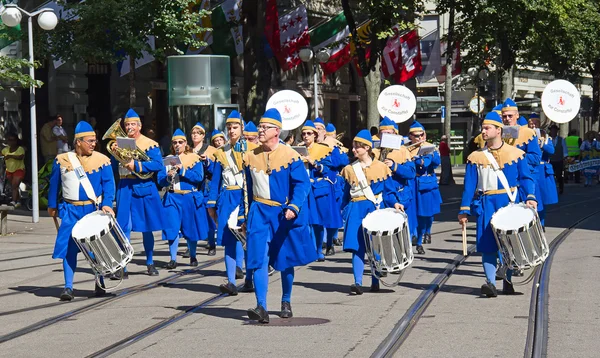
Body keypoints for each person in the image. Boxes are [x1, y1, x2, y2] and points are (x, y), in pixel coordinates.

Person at [243, 108, 318, 323]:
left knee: (285, 258)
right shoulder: (250, 156)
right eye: (260, 127)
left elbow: (302, 185)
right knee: (258, 258)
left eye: (264, 127)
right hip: (258, 212)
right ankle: (261, 306)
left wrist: (293, 207)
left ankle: (286, 300)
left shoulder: (291, 156)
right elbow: (247, 189)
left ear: (276, 131)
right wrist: (244, 216)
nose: (260, 130)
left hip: (281, 213)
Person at [458, 111, 537, 297]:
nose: (483, 131)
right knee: (487, 245)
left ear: (498, 130)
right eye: (483, 128)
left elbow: (526, 179)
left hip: (508, 202)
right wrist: (464, 210)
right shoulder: (475, 157)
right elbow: (469, 187)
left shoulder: (516, 154)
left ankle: (507, 283)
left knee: (509, 244)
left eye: (487, 128)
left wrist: (530, 197)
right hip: (486, 202)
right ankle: (490, 284)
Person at [47, 121, 115, 301]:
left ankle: (99, 282)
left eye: (94, 141)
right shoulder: (62, 160)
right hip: (70, 209)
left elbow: (109, 185)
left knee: (95, 248)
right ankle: (68, 287)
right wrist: (52, 205)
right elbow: (54, 184)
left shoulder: (102, 160)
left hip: (93, 210)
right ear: (78, 142)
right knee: (69, 249)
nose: (94, 144)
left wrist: (108, 203)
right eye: (90, 141)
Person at [340, 129, 406, 295]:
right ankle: (357, 282)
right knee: (357, 247)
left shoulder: (382, 167)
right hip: (356, 209)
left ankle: (375, 281)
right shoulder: (349, 169)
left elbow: (389, 191)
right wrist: (344, 211)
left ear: (367, 148)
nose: (354, 150)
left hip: (375, 207)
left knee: (375, 246)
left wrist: (396, 203)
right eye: (353, 147)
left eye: (357, 147)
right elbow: (344, 193)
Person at [208, 111, 258, 296]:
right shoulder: (221, 152)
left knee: (247, 240)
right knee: (229, 240)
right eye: (229, 127)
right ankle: (230, 281)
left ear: (242, 128)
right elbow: (215, 181)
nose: (231, 130)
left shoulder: (252, 149)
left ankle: (249, 279)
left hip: (245, 196)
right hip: (227, 197)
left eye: (235, 127)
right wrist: (211, 205)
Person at [112, 109, 165, 277]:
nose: (129, 127)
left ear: (139, 126)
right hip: (125, 185)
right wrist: (114, 152)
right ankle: (123, 265)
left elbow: (158, 165)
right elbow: (115, 166)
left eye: (132, 124)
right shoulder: (120, 142)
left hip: (143, 185)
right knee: (123, 227)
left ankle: (150, 262)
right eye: (127, 124)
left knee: (146, 227)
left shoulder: (150, 143)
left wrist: (138, 166)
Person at [157, 129, 206, 268]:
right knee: (171, 227)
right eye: (175, 142)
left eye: (180, 142)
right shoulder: (166, 159)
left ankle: (193, 256)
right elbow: (160, 180)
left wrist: (183, 170)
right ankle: (173, 259)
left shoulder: (194, 158)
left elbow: (198, 177)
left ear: (186, 143)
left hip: (188, 196)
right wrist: (168, 177)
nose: (177, 144)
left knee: (190, 227)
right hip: (172, 196)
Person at [301, 120, 340, 260]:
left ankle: (318, 250)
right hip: (303, 189)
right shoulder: (296, 150)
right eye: (304, 134)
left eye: (309, 133)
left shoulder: (323, 149)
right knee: (305, 221)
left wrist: (314, 163)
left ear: (315, 135)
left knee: (317, 222)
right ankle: (309, 250)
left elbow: (328, 169)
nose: (306, 136)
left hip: (318, 189)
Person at [375, 117, 416, 243]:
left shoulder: (403, 151)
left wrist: (394, 166)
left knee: (401, 234)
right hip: (380, 197)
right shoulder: (374, 151)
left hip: (399, 195)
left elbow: (411, 173)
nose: (385, 135)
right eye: (383, 133)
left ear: (395, 134)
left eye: (389, 133)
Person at [405, 121, 442, 253]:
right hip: (411, 183)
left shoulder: (430, 147)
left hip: (426, 184)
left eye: (421, 135)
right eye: (416, 136)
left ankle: (426, 232)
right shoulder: (405, 149)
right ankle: (416, 239)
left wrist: (425, 157)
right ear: (410, 136)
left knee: (428, 212)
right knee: (415, 213)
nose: (419, 138)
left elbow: (435, 162)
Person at [191, 122, 218, 256]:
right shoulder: (188, 151)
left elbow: (216, 171)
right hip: (193, 187)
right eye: (193, 133)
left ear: (203, 136)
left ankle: (212, 243)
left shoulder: (211, 150)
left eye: (198, 133)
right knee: (192, 216)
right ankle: (191, 246)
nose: (195, 135)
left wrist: (207, 161)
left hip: (207, 186)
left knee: (209, 215)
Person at [529, 116, 558, 227]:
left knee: (543, 198)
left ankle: (541, 223)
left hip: (543, 171)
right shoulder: (525, 136)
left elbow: (551, 150)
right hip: (531, 169)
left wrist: (542, 144)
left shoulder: (545, 137)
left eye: (535, 123)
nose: (533, 125)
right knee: (532, 197)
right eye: (531, 123)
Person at [2, 134, 26, 207]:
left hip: (19, 169)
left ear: (16, 141)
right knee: (14, 187)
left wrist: (10, 156)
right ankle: (18, 201)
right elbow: (1, 155)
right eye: (9, 140)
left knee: (14, 185)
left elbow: (20, 157)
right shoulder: (5, 150)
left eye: (12, 140)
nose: (11, 142)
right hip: (9, 170)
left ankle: (13, 201)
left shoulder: (20, 149)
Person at [548, 124, 567, 194]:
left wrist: (565, 158)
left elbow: (564, 149)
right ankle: (551, 188)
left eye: (555, 131)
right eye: (552, 130)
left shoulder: (561, 139)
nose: (553, 132)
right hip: (550, 160)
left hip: (559, 160)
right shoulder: (548, 139)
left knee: (559, 175)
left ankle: (561, 188)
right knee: (550, 175)